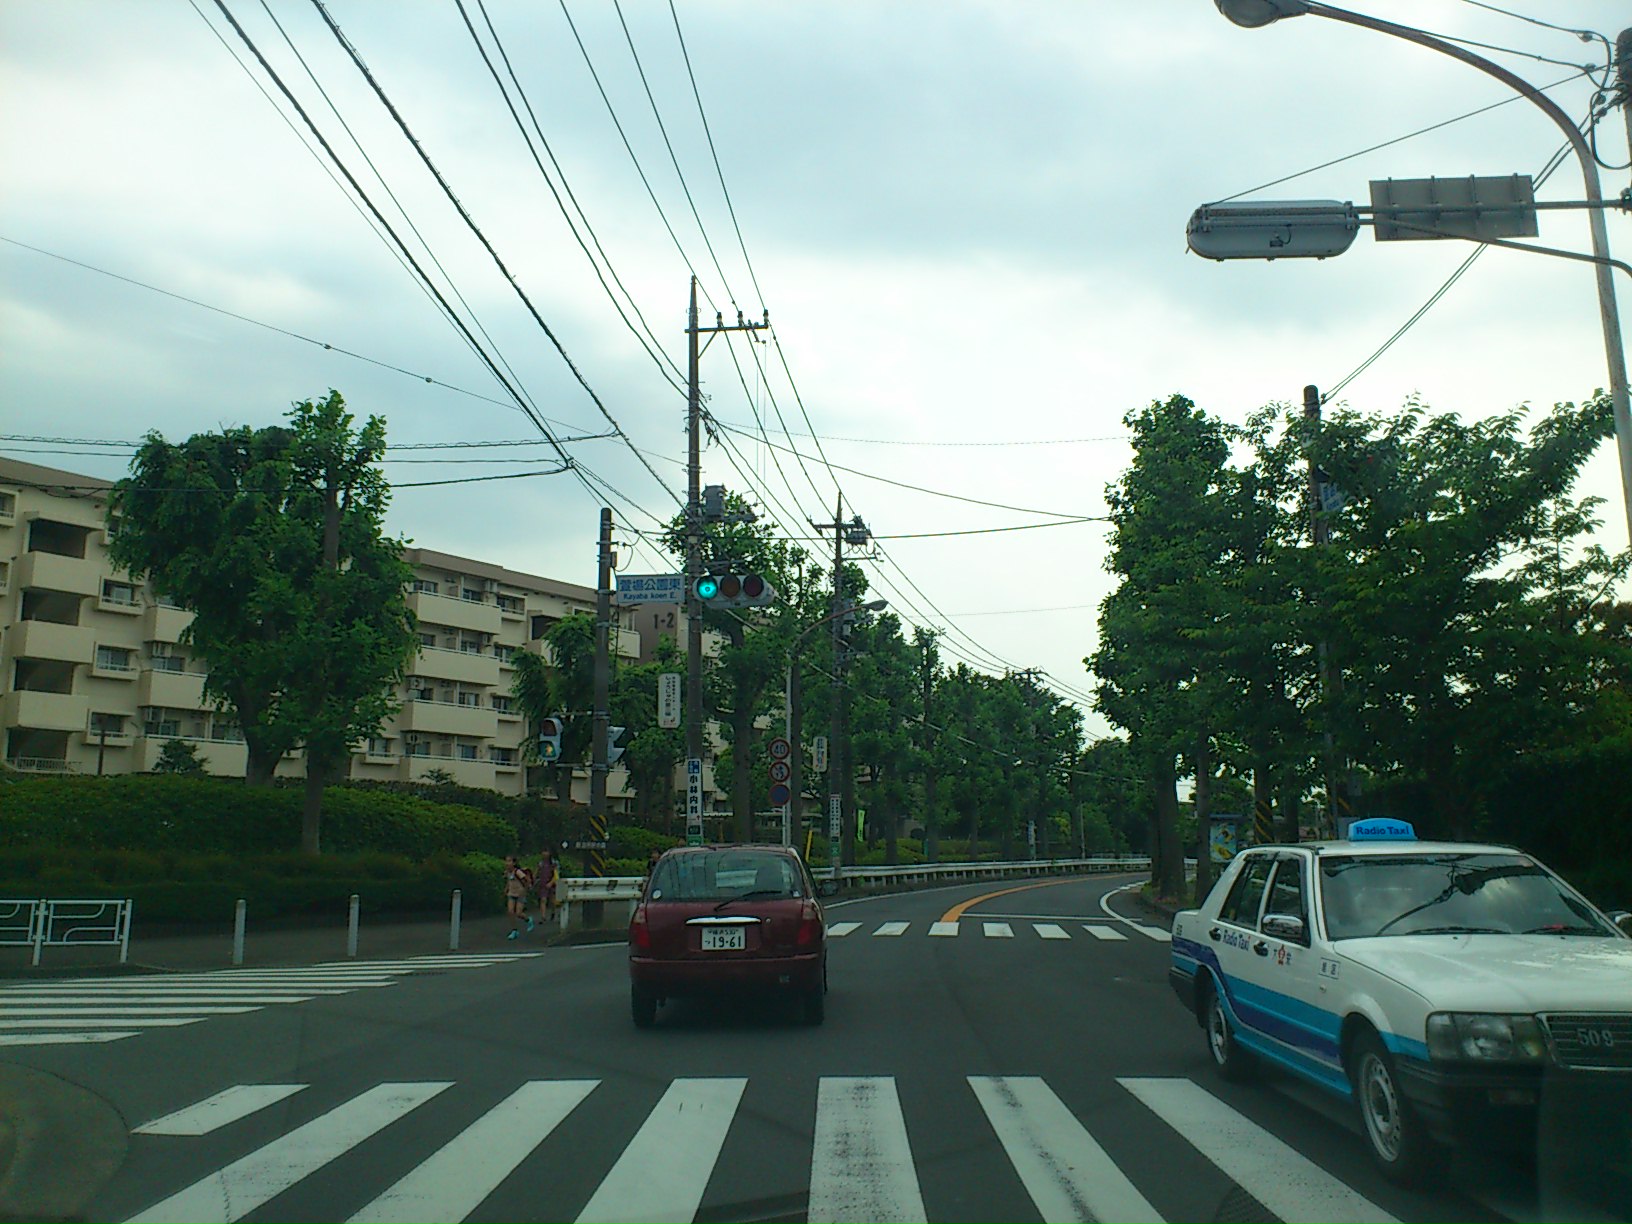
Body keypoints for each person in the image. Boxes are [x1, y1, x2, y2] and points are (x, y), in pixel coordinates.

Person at [503, 855, 528, 940]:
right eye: (506, 861)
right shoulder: (507, 872)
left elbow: (526, 880)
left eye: (509, 861)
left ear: (514, 863)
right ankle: (514, 930)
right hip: (511, 893)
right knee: (510, 912)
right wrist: (506, 890)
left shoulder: (518, 872)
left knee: (518, 913)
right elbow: (508, 882)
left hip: (520, 894)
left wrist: (524, 890)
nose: (507, 863)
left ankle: (528, 919)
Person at [535, 849, 559, 928]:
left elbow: (556, 875)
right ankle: (543, 917)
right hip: (543, 884)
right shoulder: (540, 863)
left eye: (546, 851)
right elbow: (536, 873)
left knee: (553, 901)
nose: (544, 853)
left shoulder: (554, 863)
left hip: (552, 884)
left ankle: (553, 913)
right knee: (543, 900)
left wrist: (551, 883)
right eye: (543, 851)